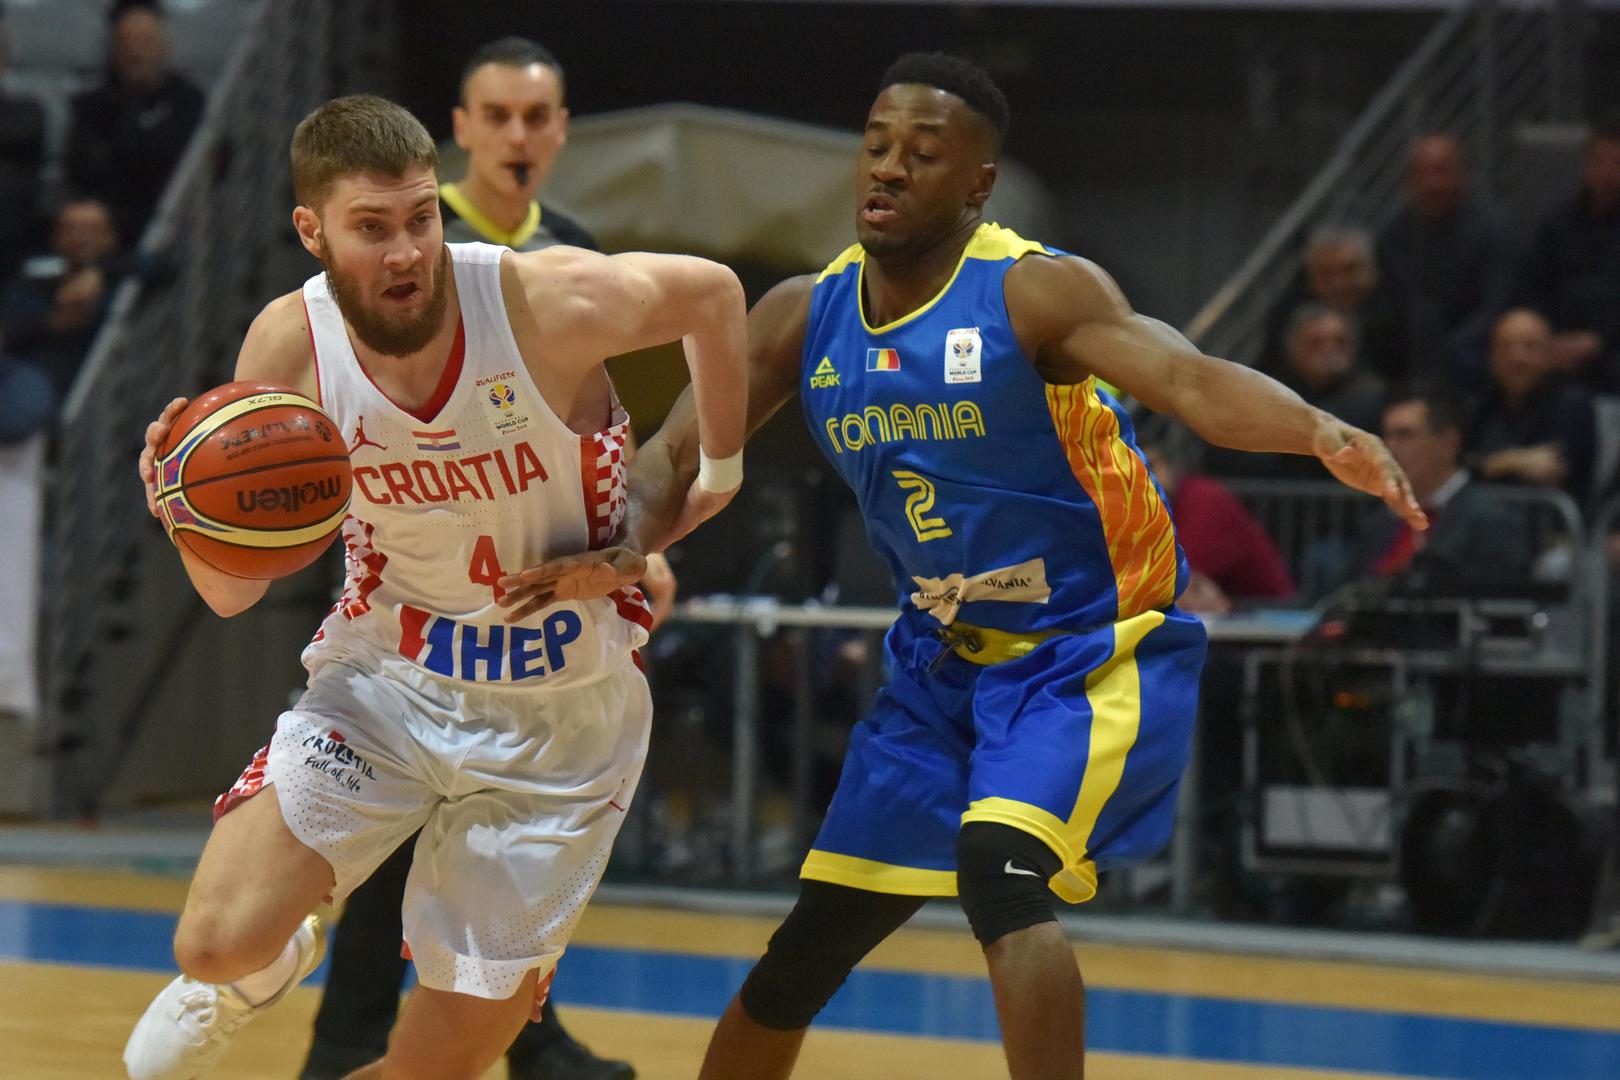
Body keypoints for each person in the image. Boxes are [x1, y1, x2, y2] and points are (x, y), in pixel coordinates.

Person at [502, 53, 1424, 1079]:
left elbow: (1190, 379)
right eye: (877, 145)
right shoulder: (805, 314)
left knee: (1001, 871)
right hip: (938, 667)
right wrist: (619, 537)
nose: (889, 168)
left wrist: (1320, 430)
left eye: (923, 153)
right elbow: (675, 454)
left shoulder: (1033, 292)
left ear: (977, 184)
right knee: (805, 952)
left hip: (1086, 653)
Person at [122, 93, 746, 1080]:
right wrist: (181, 503)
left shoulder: (540, 301)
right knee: (211, 945)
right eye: (372, 228)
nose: (408, 250)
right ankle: (261, 971)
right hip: (386, 686)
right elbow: (231, 595)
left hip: (559, 722)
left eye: (421, 217)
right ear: (313, 232)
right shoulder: (290, 344)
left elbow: (714, 295)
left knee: (431, 1071)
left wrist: (717, 476)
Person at [297, 38, 649, 1080]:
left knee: (511, 847)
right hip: (406, 577)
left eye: (536, 117)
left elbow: (599, 430)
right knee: (398, 835)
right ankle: (344, 1044)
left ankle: (527, 1040)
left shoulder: (573, 249)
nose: (517, 136)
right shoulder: (393, 243)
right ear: (459, 130)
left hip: (532, 590)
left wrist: (635, 542)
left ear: (563, 130)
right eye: (497, 116)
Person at [1353, 387, 1531, 594]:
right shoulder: (1378, 521)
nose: (1390, 449)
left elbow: (1501, 598)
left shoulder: (1493, 517)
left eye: (1405, 435)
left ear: (1449, 442)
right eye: (1387, 436)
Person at [1375, 132, 1517, 389]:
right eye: (1422, 173)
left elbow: (1497, 306)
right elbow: (1391, 300)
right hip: (1410, 348)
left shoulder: (1493, 229)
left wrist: (1446, 348)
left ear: (1463, 174)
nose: (1432, 184)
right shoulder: (1393, 233)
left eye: (1441, 171)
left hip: (1474, 348)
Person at [65, 0, 204, 244]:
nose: (136, 53)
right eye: (127, 43)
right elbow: (83, 170)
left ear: (164, 47)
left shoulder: (188, 101)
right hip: (106, 233)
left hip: (172, 225)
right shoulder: (89, 106)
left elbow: (178, 165)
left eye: (145, 42)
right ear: (114, 49)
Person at [1513, 116, 1620, 393]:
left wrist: (1599, 341)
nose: (1608, 173)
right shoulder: (1558, 223)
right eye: (1600, 161)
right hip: (1557, 341)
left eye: (1617, 163)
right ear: (1586, 165)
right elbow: (1533, 287)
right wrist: (1547, 339)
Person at [1465, 307, 1597, 506]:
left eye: (1529, 346)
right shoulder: (1480, 407)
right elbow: (1456, 470)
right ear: (1491, 356)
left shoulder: (1573, 405)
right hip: (1479, 516)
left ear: (1550, 353)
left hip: (1544, 519)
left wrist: (1487, 465)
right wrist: (1508, 462)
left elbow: (1552, 468)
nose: (1517, 357)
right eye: (1505, 347)